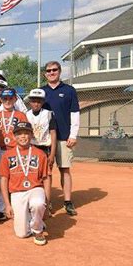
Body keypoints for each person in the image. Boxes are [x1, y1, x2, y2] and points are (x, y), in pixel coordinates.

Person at [0, 122, 49, 246]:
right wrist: (7, 204)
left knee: (38, 204)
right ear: (14, 136)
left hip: (35, 188)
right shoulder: (7, 155)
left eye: (26, 133)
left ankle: (38, 229)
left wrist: (47, 202)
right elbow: (4, 180)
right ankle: (33, 219)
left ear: (31, 135)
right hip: (17, 192)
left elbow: (46, 178)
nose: (23, 136)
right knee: (21, 234)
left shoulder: (40, 154)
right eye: (19, 134)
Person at [41, 61, 80, 216]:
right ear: (45, 74)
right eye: (49, 70)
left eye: (54, 70)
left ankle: (68, 201)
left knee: (65, 169)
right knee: (47, 172)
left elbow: (75, 114)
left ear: (59, 71)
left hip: (64, 137)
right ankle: (47, 202)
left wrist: (73, 135)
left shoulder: (69, 90)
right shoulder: (41, 92)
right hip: (45, 138)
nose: (52, 72)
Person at [0, 88, 29, 220]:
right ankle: (0, 208)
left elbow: (26, 134)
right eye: (4, 99)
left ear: (15, 99)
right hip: (0, 150)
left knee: (17, 177)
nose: (7, 101)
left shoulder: (20, 115)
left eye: (10, 98)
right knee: (0, 179)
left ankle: (19, 206)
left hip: (16, 151)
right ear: (0, 100)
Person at [25, 88, 57, 215]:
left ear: (43, 102)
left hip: (44, 148)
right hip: (31, 148)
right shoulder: (27, 115)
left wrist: (53, 153)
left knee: (47, 175)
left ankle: (47, 203)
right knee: (31, 174)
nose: (36, 104)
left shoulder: (49, 114)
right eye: (33, 101)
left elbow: (53, 134)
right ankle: (31, 202)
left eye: (39, 101)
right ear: (30, 102)